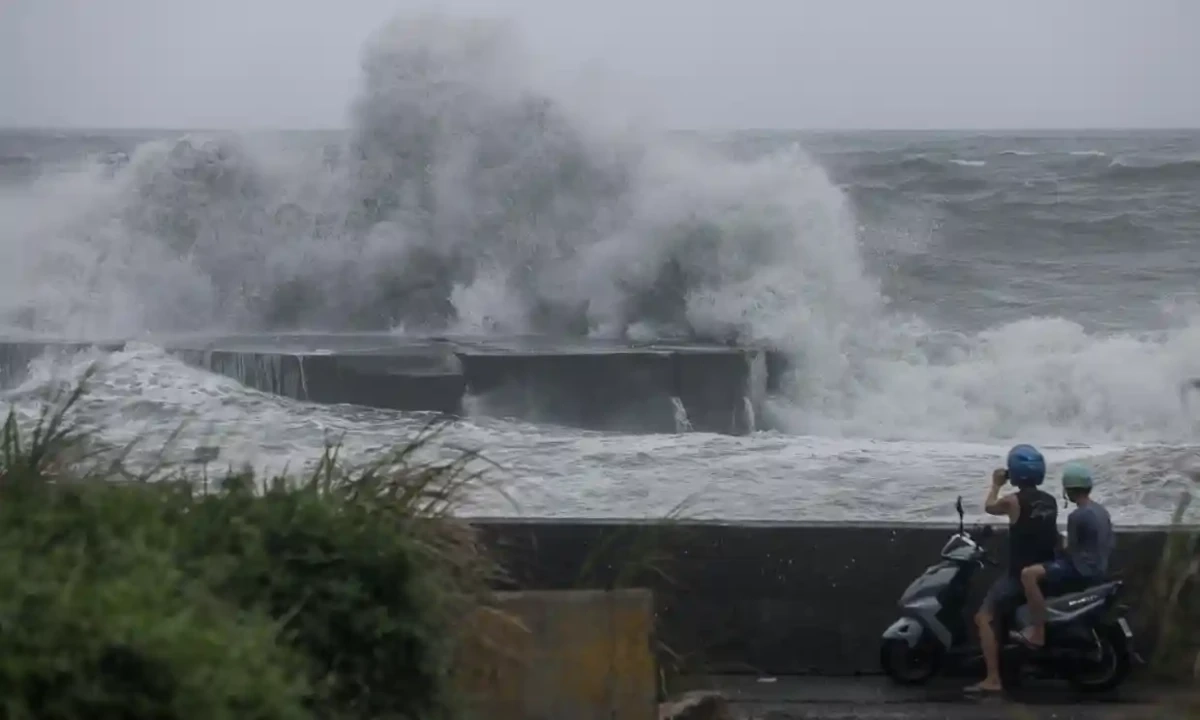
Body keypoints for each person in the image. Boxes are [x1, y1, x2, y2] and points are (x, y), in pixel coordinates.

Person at [964, 444, 1059, 695]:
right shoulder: (1050, 501)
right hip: (1047, 569)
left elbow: (989, 507)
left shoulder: (1012, 501)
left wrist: (996, 483)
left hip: (1019, 575)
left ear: (1014, 472)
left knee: (983, 617)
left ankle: (993, 678)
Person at [1014, 462, 1114, 648]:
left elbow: (1071, 550)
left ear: (1068, 490)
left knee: (1029, 574)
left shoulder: (1077, 515)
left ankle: (1038, 632)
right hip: (1099, 566)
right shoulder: (1101, 511)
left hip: (1082, 569)